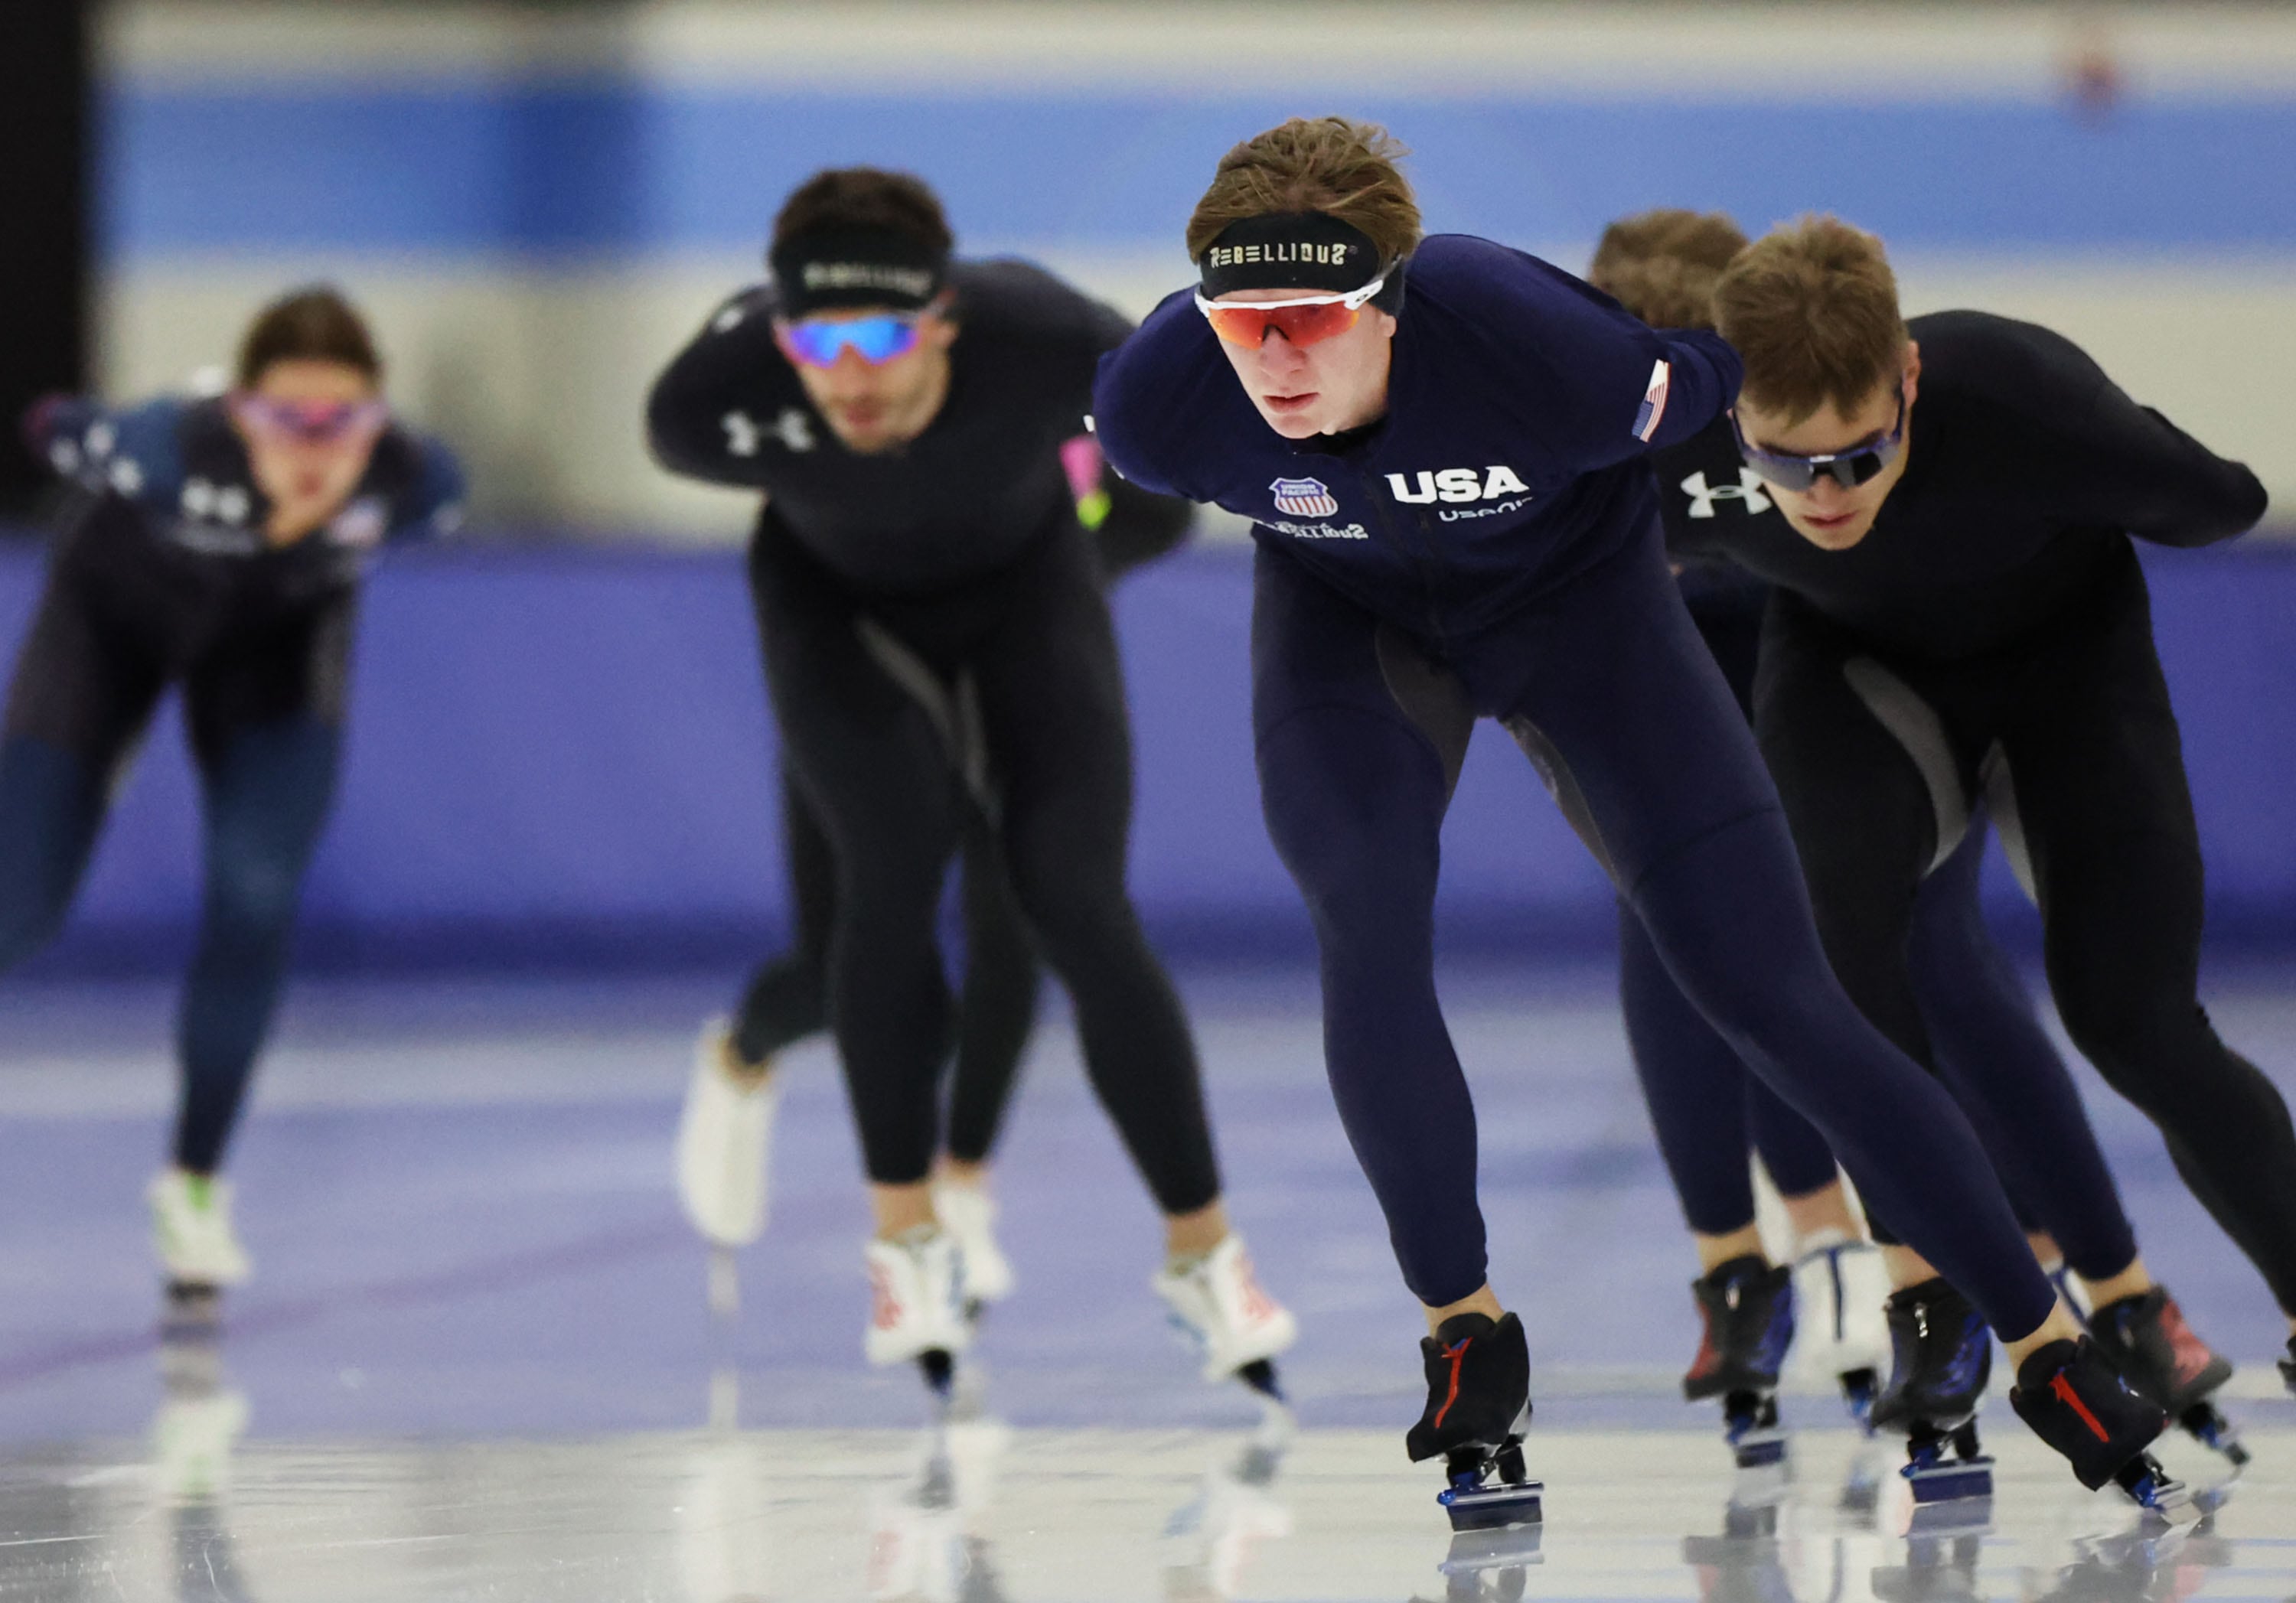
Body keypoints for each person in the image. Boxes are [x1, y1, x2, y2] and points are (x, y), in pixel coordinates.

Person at [1090, 117, 2175, 1510]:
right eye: (1245, 324)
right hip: (1352, 629)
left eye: (1312, 319)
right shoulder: (1162, 408)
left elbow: (1734, 389)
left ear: (1396, 302)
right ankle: (1464, 1331)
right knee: (1362, 921)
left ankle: (2041, 1339)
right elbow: (1095, 448)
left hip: (1583, 617)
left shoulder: (1550, 352)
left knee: (1773, 994)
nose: (1277, 359)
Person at [1593, 209, 2245, 1462]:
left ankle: (2084, 1286)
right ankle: (1804, 1269)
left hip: (1821, 663)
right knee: (1766, 952)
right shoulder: (1667, 434)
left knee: (1900, 964)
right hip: (1736, 668)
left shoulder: (1801, 417)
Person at [647, 167, 1296, 1397]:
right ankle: (905, 1240)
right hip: (831, 610)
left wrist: (1080, 576)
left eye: (881, 336)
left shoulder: (1049, 338)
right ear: (779, 333)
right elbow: (711, 436)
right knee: (887, 880)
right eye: (815, 342)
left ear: (941, 318)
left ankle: (1204, 1253)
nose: (848, 375)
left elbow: (1174, 477)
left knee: (1073, 905)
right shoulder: (713, 399)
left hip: (1026, 591)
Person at [4, 286, 464, 1304]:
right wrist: (109, 432)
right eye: (283, 418)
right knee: (18, 909)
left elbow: (426, 502)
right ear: (238, 409)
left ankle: (195, 1188)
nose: (314, 447)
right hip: (107, 627)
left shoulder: (412, 478)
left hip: (275, 655)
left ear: (381, 418)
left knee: (256, 896)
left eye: (342, 420)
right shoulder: (168, 447)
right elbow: (46, 422)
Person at [677, 427, 1184, 1315]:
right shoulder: (872, 440)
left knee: (1013, 938)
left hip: (1014, 716)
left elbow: (1159, 510)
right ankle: (743, 1051)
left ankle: (961, 1188)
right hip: (861, 725)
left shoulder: (1072, 448)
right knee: (846, 978)